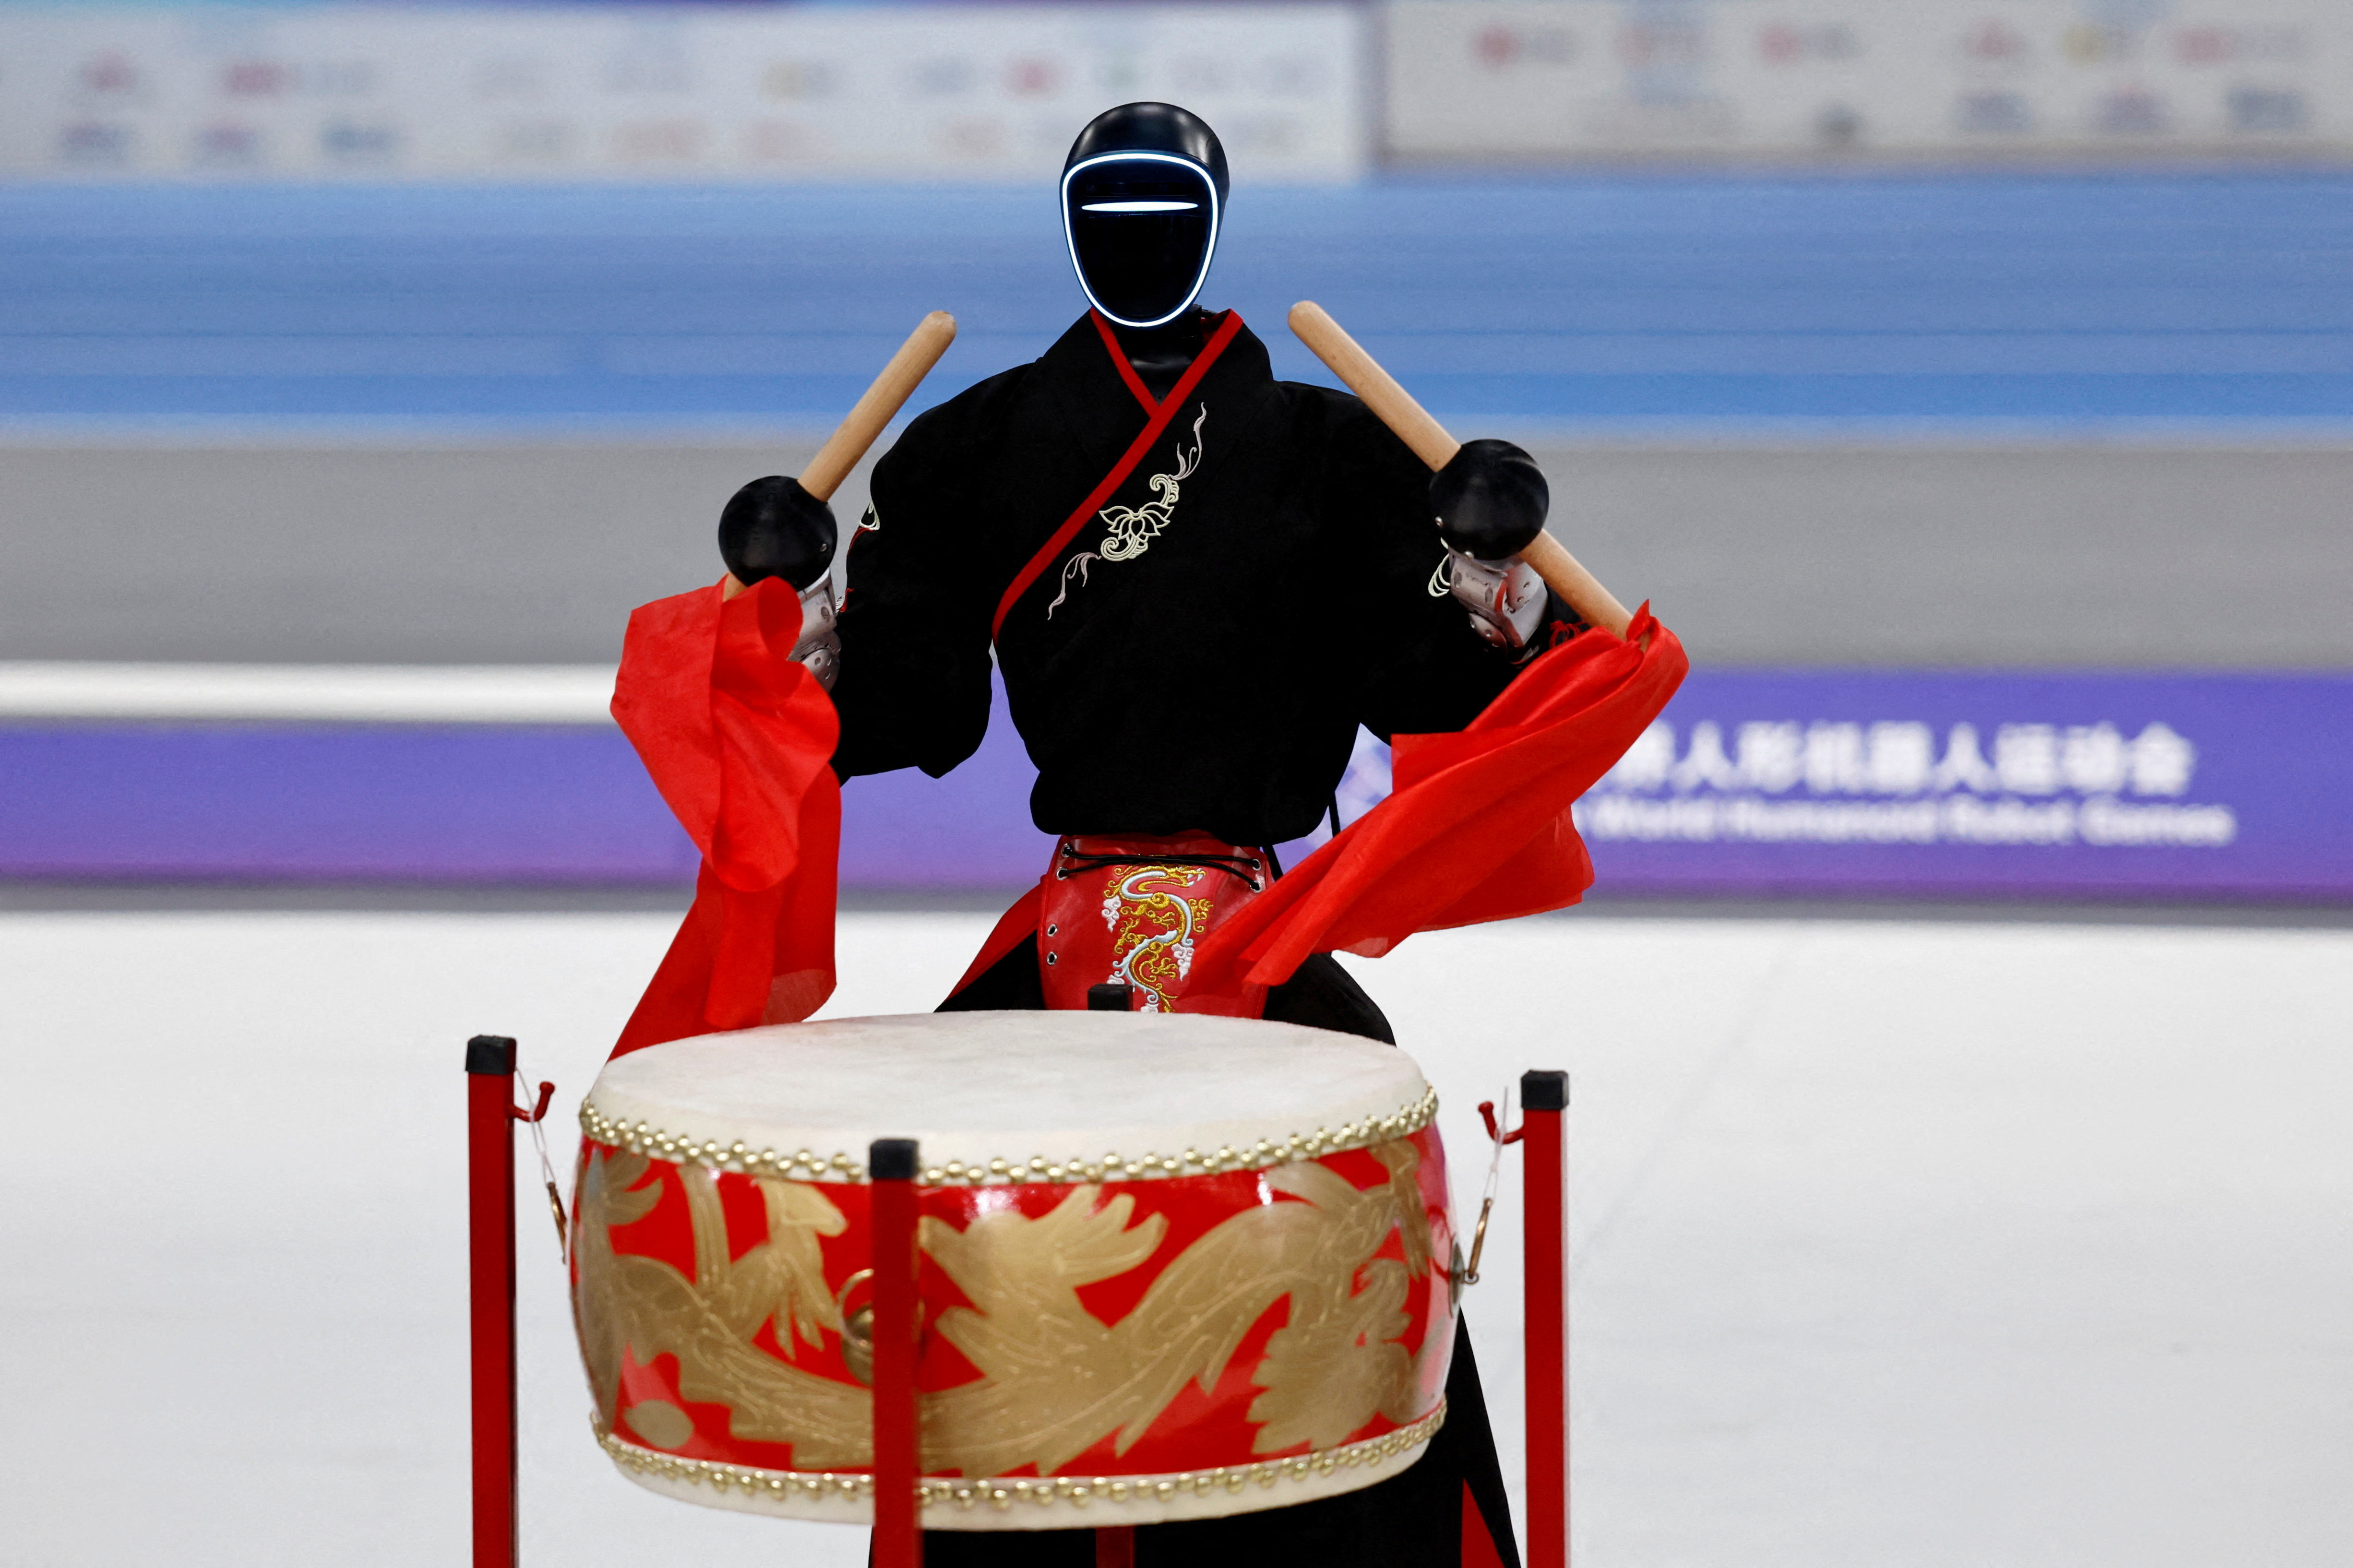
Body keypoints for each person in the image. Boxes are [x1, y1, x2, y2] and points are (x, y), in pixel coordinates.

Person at [617, 101, 1686, 1568]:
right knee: (952, 1261)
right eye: (1108, 203)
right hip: (1069, 926)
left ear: (1216, 220)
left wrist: (1495, 583)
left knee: (1360, 1237)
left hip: (1257, 935)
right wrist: (791, 616)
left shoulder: (1334, 450)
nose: (1137, 229)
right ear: (1068, 226)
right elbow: (914, 704)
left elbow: (1426, 688)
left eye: (1165, 201)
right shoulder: (970, 449)